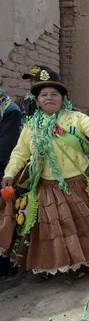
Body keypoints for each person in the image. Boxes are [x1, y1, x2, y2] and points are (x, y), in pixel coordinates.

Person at [0, 69, 89, 279]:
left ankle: (83, 261)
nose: (49, 98)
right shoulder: (30, 127)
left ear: (63, 99)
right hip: (46, 186)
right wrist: (9, 173)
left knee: (81, 226)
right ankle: (50, 263)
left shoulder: (75, 118)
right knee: (51, 230)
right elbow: (20, 153)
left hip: (77, 182)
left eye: (54, 94)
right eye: (44, 95)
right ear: (37, 101)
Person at [0, 87, 21, 278]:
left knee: (4, 221)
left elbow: (4, 150)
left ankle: (5, 264)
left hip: (2, 172)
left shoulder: (9, 111)